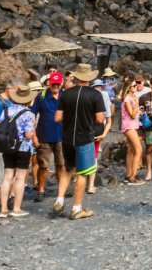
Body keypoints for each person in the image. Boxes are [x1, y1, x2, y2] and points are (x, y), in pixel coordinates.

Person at [54, 64, 105, 220]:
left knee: (67, 169)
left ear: (77, 77)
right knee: (82, 173)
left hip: (67, 137)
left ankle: (59, 200)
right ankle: (76, 208)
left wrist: (70, 118)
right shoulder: (96, 95)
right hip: (84, 138)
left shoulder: (66, 94)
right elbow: (99, 119)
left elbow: (57, 118)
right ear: (89, 78)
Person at [0, 84, 37, 218]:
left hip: (7, 147)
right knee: (20, 177)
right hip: (23, 148)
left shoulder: (6, 111)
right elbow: (28, 135)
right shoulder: (28, 114)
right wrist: (32, 133)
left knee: (7, 176)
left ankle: (3, 209)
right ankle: (16, 208)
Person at [0, 77, 24, 213]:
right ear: (10, 88)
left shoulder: (9, 102)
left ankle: (3, 199)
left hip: (7, 142)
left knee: (6, 172)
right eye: (17, 90)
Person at [31, 71, 64, 203]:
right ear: (49, 83)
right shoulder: (41, 96)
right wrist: (34, 136)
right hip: (44, 135)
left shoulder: (65, 96)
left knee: (61, 164)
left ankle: (61, 189)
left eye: (57, 83)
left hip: (61, 136)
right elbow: (32, 115)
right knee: (43, 165)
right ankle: (41, 190)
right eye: (53, 83)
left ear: (60, 83)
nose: (55, 86)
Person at [87, 79, 111, 193]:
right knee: (94, 156)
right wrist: (104, 134)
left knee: (85, 156)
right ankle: (90, 185)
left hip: (88, 130)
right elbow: (107, 118)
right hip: (97, 130)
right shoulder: (104, 96)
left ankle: (81, 181)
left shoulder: (89, 96)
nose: (99, 88)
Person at [120, 81, 145, 185]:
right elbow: (132, 115)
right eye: (134, 85)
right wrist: (137, 103)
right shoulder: (128, 99)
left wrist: (140, 111)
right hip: (129, 127)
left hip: (131, 126)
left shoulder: (131, 98)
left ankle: (128, 175)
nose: (136, 86)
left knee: (130, 150)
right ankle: (133, 177)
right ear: (129, 88)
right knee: (139, 150)